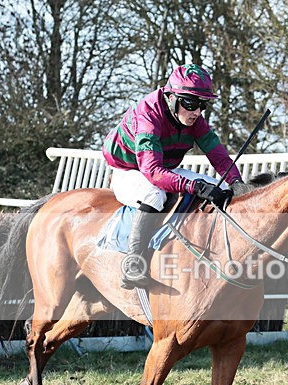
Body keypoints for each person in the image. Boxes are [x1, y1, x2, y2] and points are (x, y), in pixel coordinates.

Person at [102, 64, 242, 289]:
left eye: (202, 105)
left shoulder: (194, 120)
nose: (196, 111)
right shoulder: (148, 114)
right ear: (171, 98)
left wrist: (236, 183)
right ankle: (133, 264)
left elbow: (219, 156)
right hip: (129, 171)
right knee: (155, 195)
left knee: (216, 186)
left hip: (160, 169)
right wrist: (193, 186)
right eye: (190, 103)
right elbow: (153, 172)